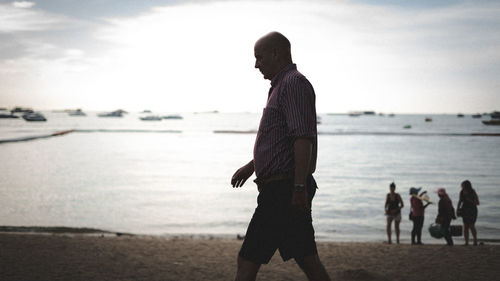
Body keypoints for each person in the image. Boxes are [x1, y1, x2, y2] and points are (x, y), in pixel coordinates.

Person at [230, 32, 331, 281]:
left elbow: (302, 138)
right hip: (283, 188)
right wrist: (253, 166)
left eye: (259, 57)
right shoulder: (279, 87)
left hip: (283, 191)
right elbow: (283, 141)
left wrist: (298, 188)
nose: (256, 64)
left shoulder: (293, 83)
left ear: (276, 53)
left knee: (247, 260)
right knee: (307, 258)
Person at [457, 180, 480, 246]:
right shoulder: (461, 192)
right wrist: (457, 209)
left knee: (472, 226)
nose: (462, 186)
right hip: (464, 210)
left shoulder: (472, 191)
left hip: (472, 210)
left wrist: (470, 200)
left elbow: (477, 202)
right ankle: (466, 242)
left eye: (463, 185)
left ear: (467, 185)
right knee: (465, 227)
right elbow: (460, 201)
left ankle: (475, 241)